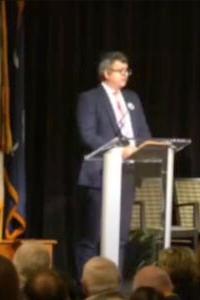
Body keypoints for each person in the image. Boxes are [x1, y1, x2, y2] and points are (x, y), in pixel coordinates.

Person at [75, 51, 152, 278]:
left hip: (126, 174)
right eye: (120, 71)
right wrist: (120, 150)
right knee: (92, 236)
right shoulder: (90, 98)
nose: (125, 75)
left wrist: (142, 148)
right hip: (99, 173)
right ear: (106, 73)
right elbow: (87, 135)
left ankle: (113, 283)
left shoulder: (132, 98)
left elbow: (143, 131)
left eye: (127, 71)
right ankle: (86, 285)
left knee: (120, 235)